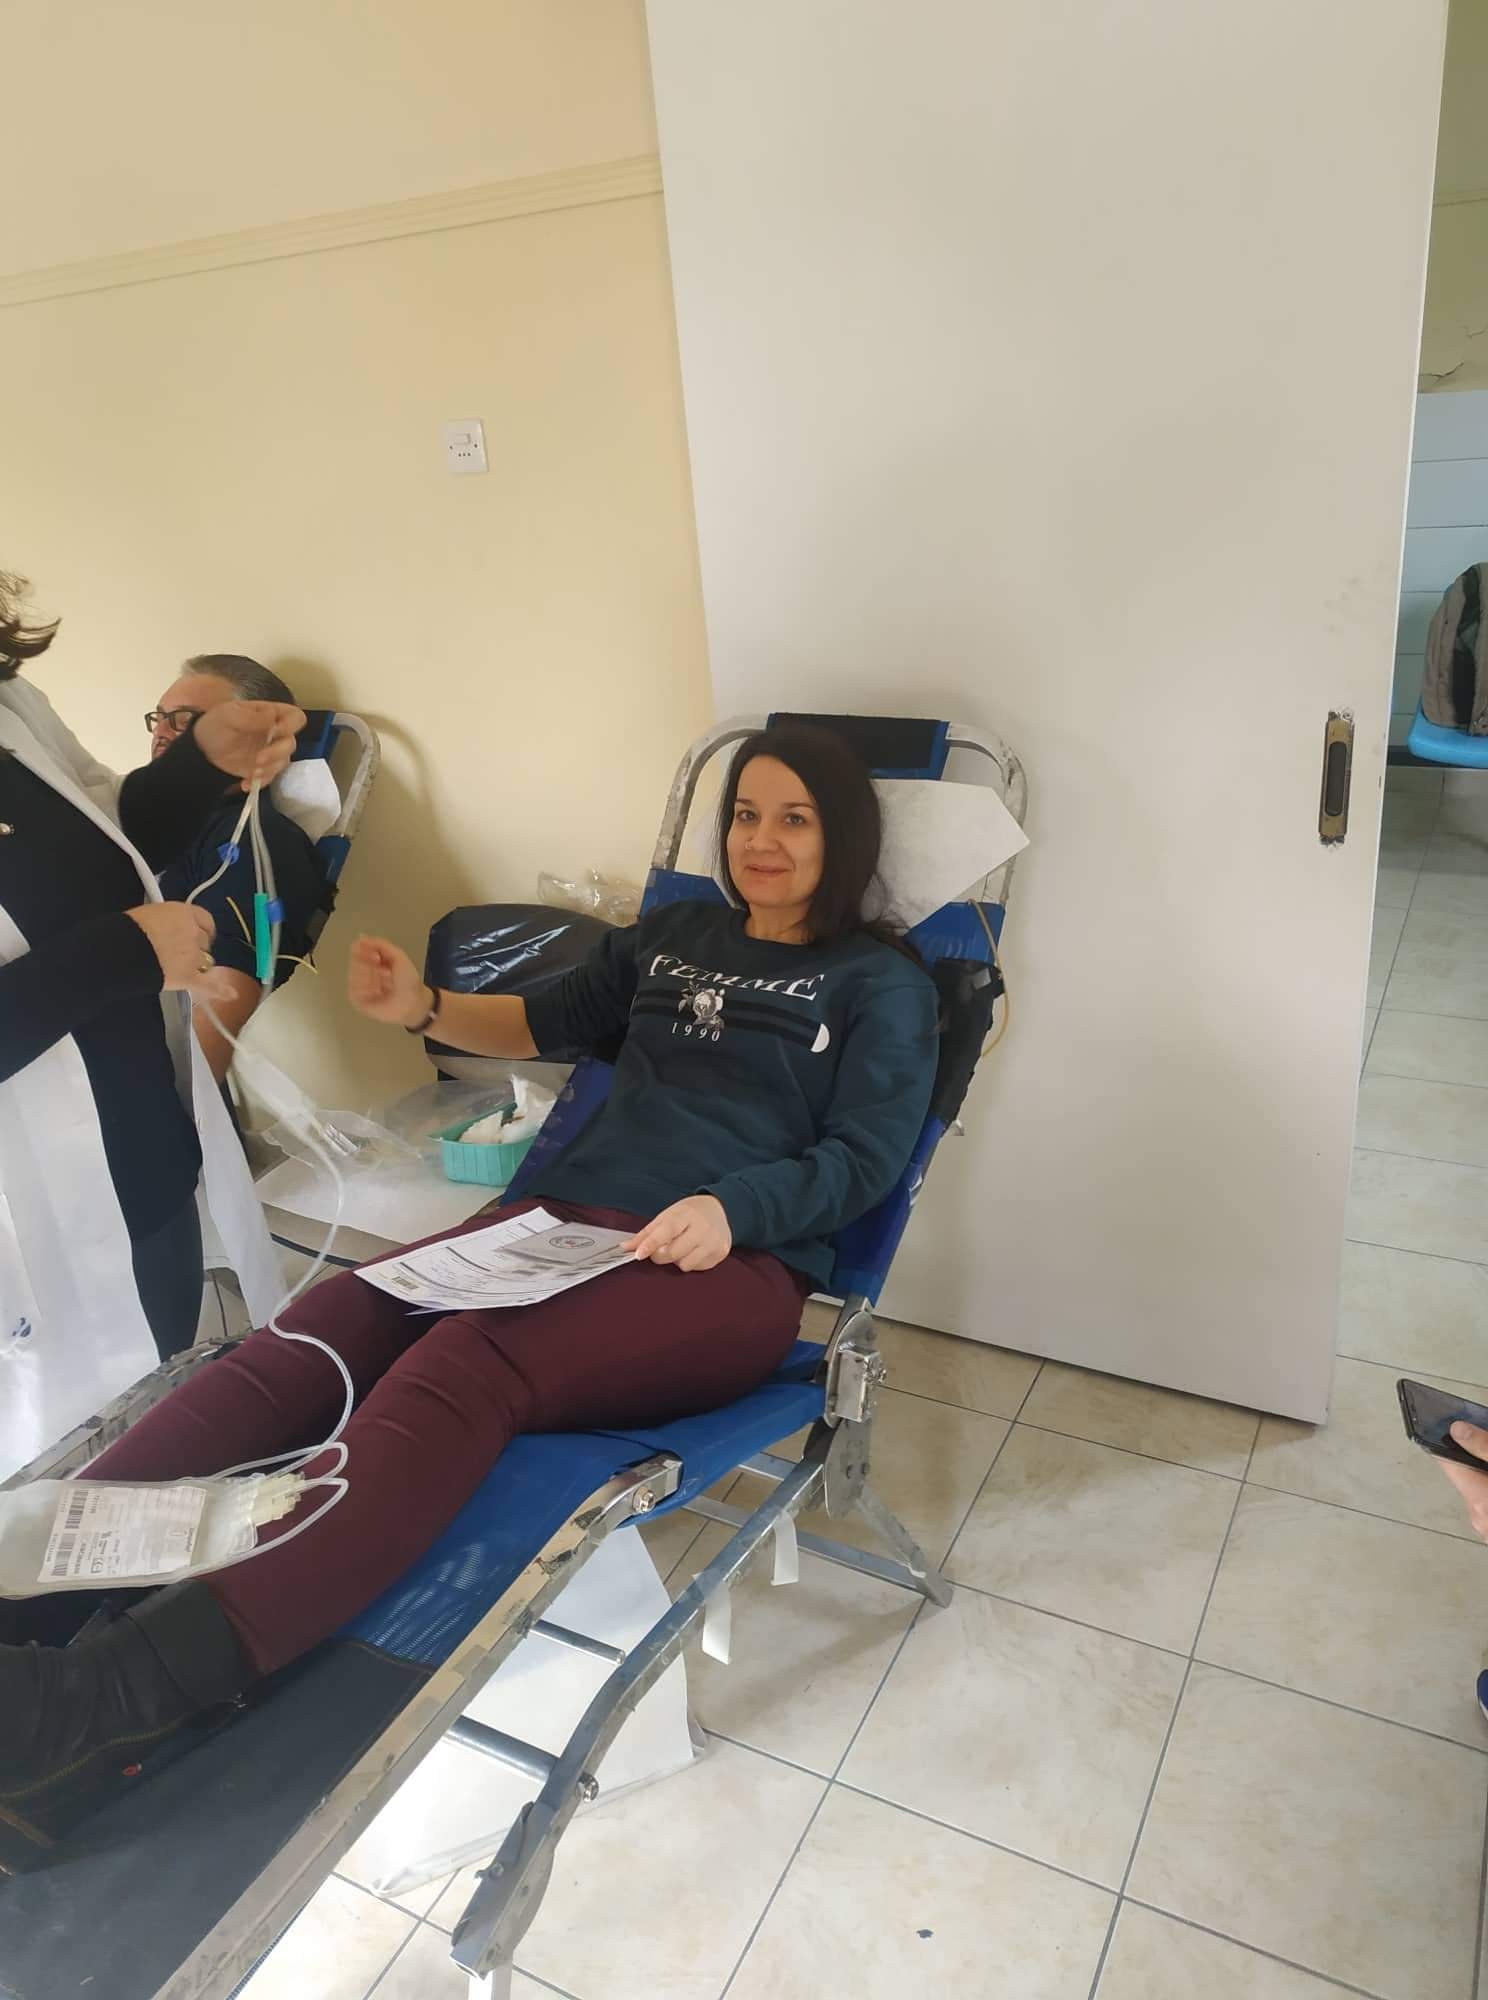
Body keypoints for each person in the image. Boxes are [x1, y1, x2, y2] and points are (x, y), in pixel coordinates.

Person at [0, 722, 940, 1858]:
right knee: (320, 1329)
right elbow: (545, 1022)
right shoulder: (677, 935)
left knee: (461, 1370)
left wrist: (738, 1208)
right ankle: (31, 1592)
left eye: (795, 819)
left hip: (719, 1263)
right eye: (745, 814)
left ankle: (95, 1703)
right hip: (552, 1229)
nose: (761, 840)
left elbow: (866, 1155)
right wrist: (423, 1009)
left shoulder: (882, 983)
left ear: (846, 840)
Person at [0, 573, 304, 1475]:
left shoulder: (11, 702)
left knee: (154, 1443)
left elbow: (106, 834)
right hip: (27, 1221)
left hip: (139, 1161)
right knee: (55, 1489)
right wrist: (125, 953)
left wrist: (202, 762)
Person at [150, 656, 330, 1083]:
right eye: (158, 718)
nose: (161, 733)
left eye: (184, 720)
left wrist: (172, 1111)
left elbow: (218, 1008)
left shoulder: (253, 843)